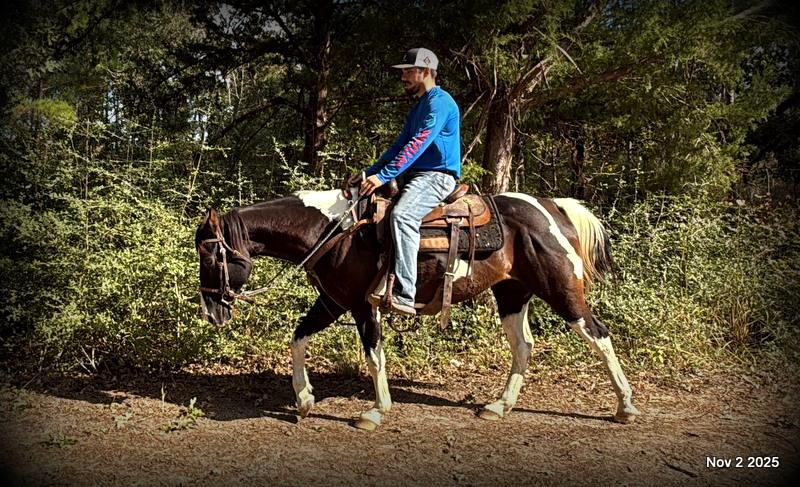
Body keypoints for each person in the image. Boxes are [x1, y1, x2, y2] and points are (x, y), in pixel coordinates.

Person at [348, 47, 461, 315]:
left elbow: (418, 143)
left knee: (402, 216)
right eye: (404, 72)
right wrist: (369, 172)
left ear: (427, 71)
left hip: (437, 177)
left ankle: (405, 294)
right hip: (415, 176)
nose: (404, 77)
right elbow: (398, 147)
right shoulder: (419, 107)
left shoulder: (440, 102)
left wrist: (384, 176)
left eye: (409, 71)